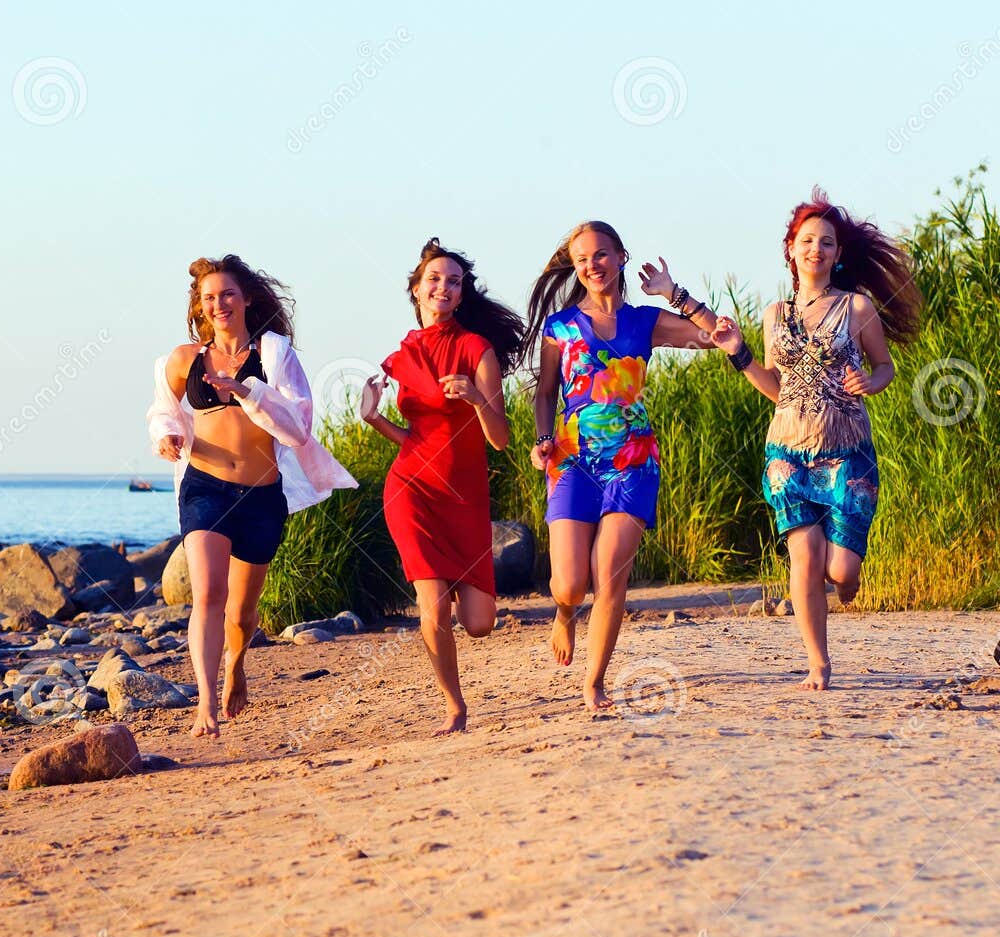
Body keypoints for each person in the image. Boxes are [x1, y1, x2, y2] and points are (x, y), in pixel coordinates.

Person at [711, 189, 922, 689]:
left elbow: (885, 365)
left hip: (848, 451)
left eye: (826, 243)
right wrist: (739, 353)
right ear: (791, 249)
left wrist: (872, 381)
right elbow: (777, 388)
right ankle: (817, 662)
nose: (816, 250)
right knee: (804, 558)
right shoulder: (773, 314)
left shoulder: (857, 307)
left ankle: (848, 581)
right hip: (788, 453)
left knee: (841, 571)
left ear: (838, 254)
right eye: (807, 241)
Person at [147, 255, 356, 737]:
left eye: (227, 295)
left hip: (261, 497)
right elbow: (162, 412)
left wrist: (245, 391)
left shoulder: (276, 355)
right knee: (208, 594)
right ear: (200, 308)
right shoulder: (184, 360)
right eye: (209, 298)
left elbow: (298, 428)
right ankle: (205, 704)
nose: (219, 304)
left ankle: (236, 663)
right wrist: (166, 437)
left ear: (246, 299)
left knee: (241, 612)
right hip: (205, 488)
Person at [524, 221, 721, 713]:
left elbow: (715, 337)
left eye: (602, 255)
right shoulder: (561, 327)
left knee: (610, 575)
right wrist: (543, 439)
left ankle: (594, 682)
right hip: (573, 461)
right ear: (575, 266)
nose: (593, 265)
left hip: (633, 460)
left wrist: (675, 293)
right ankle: (565, 613)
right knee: (569, 582)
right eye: (583, 258)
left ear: (621, 257)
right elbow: (546, 392)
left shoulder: (645, 321)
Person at [359, 238, 524, 734]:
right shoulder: (401, 357)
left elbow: (500, 439)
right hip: (411, 487)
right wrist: (372, 419)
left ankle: (454, 586)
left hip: (465, 498)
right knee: (432, 606)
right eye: (434, 279)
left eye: (453, 281)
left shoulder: (477, 350)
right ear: (416, 289)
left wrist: (475, 397)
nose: (443, 287)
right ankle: (455, 706)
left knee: (479, 623)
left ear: (461, 292)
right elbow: (412, 437)